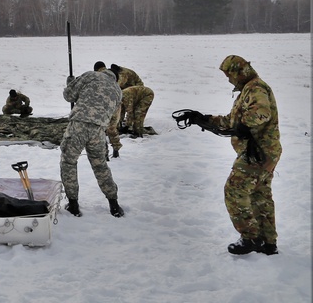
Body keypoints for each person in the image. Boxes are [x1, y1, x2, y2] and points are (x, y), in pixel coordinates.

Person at [178, 56, 281, 255]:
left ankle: (250, 238)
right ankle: (268, 243)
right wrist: (203, 119)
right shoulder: (248, 90)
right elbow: (231, 122)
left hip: (258, 153)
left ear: (238, 72)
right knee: (260, 195)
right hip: (265, 153)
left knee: (234, 191)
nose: (228, 80)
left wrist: (245, 125)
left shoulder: (256, 88)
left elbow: (262, 113)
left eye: (229, 75)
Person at [60, 61, 124, 218]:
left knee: (69, 162)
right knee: (100, 166)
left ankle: (73, 205)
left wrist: (70, 83)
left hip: (78, 126)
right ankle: (114, 204)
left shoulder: (91, 75)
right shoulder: (118, 91)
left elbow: (69, 96)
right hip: (98, 131)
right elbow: (113, 118)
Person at [110, 64, 155, 138]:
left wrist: (127, 126)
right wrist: (118, 125)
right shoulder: (120, 97)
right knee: (124, 110)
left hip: (145, 94)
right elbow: (120, 110)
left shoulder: (123, 74)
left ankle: (142, 132)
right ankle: (130, 126)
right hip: (132, 91)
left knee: (138, 113)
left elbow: (129, 111)